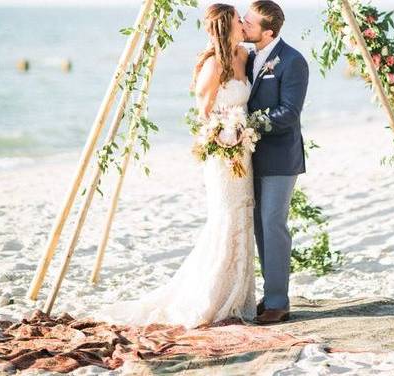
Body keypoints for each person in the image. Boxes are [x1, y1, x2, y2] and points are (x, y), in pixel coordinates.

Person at [96, 3, 256, 329]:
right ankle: (213, 296)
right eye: (238, 20)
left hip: (244, 152)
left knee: (244, 216)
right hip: (223, 155)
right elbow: (204, 113)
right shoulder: (212, 65)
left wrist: (243, 133)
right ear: (227, 27)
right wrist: (225, 135)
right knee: (225, 218)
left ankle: (238, 296)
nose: (243, 23)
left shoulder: (245, 57)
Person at [243, 0, 309, 324]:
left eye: (249, 22)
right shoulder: (248, 58)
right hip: (249, 156)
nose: (243, 25)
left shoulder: (293, 61)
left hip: (281, 158)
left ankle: (279, 303)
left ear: (267, 31)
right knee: (259, 227)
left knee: (273, 225)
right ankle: (270, 295)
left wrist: (246, 124)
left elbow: (288, 113)